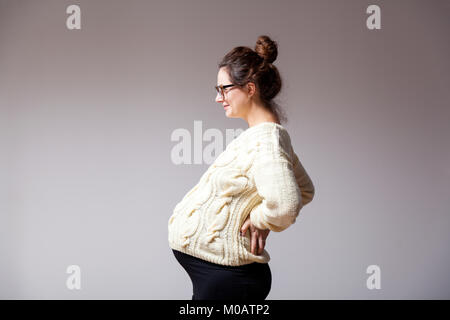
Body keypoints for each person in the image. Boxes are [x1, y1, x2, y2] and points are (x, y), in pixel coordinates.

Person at [168, 35, 315, 300]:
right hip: (219, 279)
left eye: (223, 89)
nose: (218, 98)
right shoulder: (262, 136)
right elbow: (305, 188)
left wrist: (261, 220)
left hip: (227, 280)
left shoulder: (266, 139)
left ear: (249, 89)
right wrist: (263, 219)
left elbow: (287, 202)